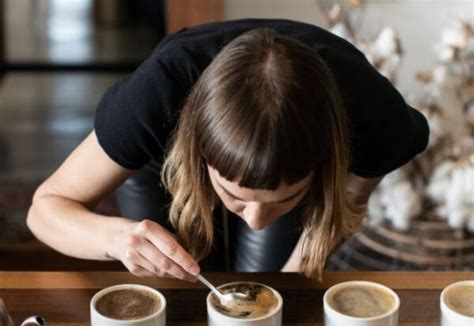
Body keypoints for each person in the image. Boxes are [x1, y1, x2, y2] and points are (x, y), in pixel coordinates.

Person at [27, 19, 429, 281]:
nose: (256, 221)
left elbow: (342, 208)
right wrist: (116, 238)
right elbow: (45, 208)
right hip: (163, 160)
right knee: (170, 292)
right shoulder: (157, 93)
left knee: (267, 288)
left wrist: (291, 279)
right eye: (235, 196)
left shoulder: (376, 116)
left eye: (283, 198)